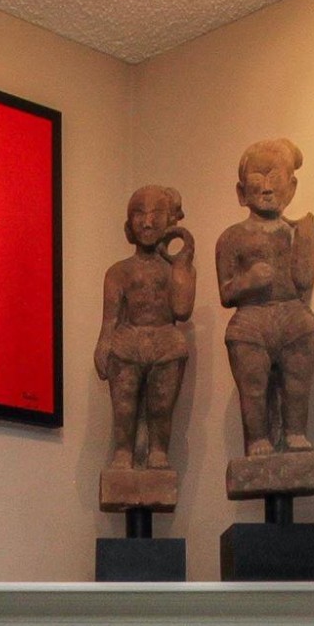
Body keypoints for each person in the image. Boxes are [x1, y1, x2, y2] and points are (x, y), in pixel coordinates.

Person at [214, 139, 314, 458]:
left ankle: (295, 432)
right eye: (258, 178)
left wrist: (305, 240)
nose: (266, 187)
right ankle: (258, 438)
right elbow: (226, 292)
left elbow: (303, 281)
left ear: (291, 187)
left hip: (292, 315)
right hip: (251, 320)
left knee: (297, 383)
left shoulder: (296, 232)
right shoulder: (231, 237)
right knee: (254, 387)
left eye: (275, 177)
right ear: (240, 191)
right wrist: (248, 281)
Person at [95, 186, 195, 472]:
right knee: (123, 407)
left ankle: (158, 452)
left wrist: (182, 264)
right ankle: (123, 452)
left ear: (170, 222)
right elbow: (110, 319)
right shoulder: (118, 272)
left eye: (155, 215)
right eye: (139, 215)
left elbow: (181, 310)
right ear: (129, 226)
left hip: (166, 340)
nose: (147, 222)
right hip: (128, 341)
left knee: (161, 407)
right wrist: (103, 344)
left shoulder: (179, 268)